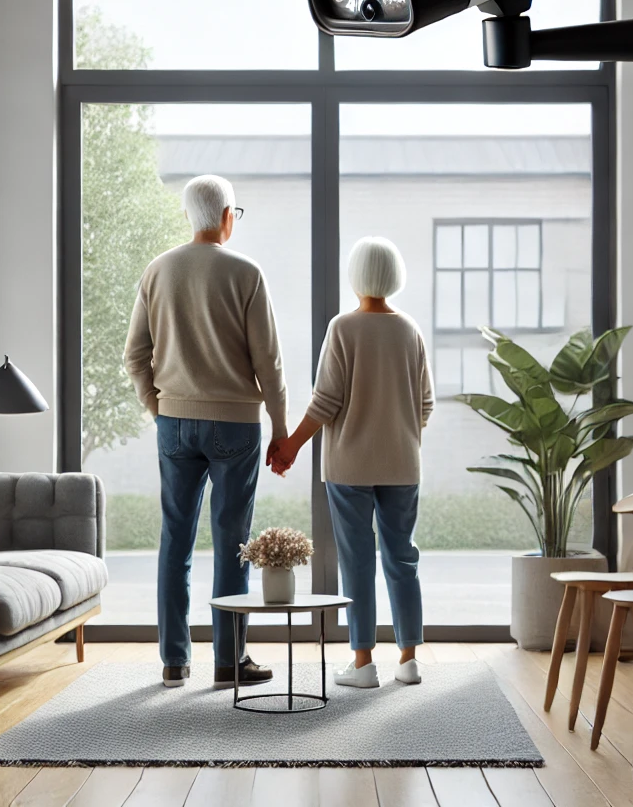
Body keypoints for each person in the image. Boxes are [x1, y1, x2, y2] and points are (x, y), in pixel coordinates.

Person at [124, 174, 288, 689]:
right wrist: (281, 429)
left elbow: (135, 356)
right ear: (225, 217)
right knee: (232, 541)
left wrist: (160, 409)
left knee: (176, 538)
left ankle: (175, 661)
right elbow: (270, 364)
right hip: (236, 425)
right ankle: (229, 660)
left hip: (174, 423)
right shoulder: (246, 273)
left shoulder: (158, 270)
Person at [270, 236, 434, 688]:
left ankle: (363, 664)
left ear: (356, 275)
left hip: (349, 468)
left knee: (357, 561)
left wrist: (292, 446)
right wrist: (400, 438)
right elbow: (425, 404)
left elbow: (326, 402)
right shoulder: (410, 331)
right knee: (403, 559)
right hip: (403, 465)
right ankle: (409, 660)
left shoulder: (343, 328)